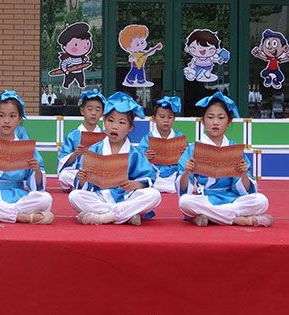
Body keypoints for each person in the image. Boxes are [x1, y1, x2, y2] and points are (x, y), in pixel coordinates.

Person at [177, 92, 273, 227]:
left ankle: (211, 216)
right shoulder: (193, 149)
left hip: (231, 197)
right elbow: (183, 189)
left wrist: (243, 174)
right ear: (203, 121)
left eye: (221, 118)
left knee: (261, 201)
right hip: (205, 198)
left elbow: (247, 190)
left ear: (228, 122)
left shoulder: (234, 148)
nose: (215, 122)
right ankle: (239, 219)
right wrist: (187, 172)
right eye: (210, 117)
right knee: (185, 202)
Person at [69, 91, 161, 225]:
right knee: (75, 196)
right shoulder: (94, 149)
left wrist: (136, 184)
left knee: (154, 195)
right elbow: (82, 184)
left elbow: (148, 177)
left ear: (130, 127)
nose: (115, 126)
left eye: (122, 122)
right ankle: (125, 215)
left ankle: (104, 217)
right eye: (110, 120)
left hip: (126, 196)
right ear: (104, 122)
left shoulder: (134, 153)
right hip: (101, 196)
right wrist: (82, 179)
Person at [0, 90, 53, 224]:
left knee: (45, 198)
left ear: (19, 119)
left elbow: (37, 185)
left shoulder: (25, 146)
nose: (7, 121)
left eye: (12, 116)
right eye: (1, 115)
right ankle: (20, 216)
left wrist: (36, 170)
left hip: (19, 194)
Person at [57, 89, 106, 193]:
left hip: (98, 173)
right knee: (64, 175)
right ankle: (85, 186)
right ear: (82, 111)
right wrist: (75, 154)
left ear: (102, 113)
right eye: (90, 109)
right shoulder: (73, 135)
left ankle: (82, 187)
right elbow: (62, 160)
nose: (94, 113)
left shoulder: (105, 136)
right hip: (78, 172)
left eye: (98, 110)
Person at [137, 96, 185, 194]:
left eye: (170, 117)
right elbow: (138, 158)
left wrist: (185, 155)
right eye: (162, 117)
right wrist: (144, 156)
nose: (166, 120)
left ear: (174, 119)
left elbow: (187, 160)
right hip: (155, 174)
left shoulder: (179, 137)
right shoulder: (147, 138)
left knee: (184, 180)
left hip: (174, 174)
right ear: (154, 118)